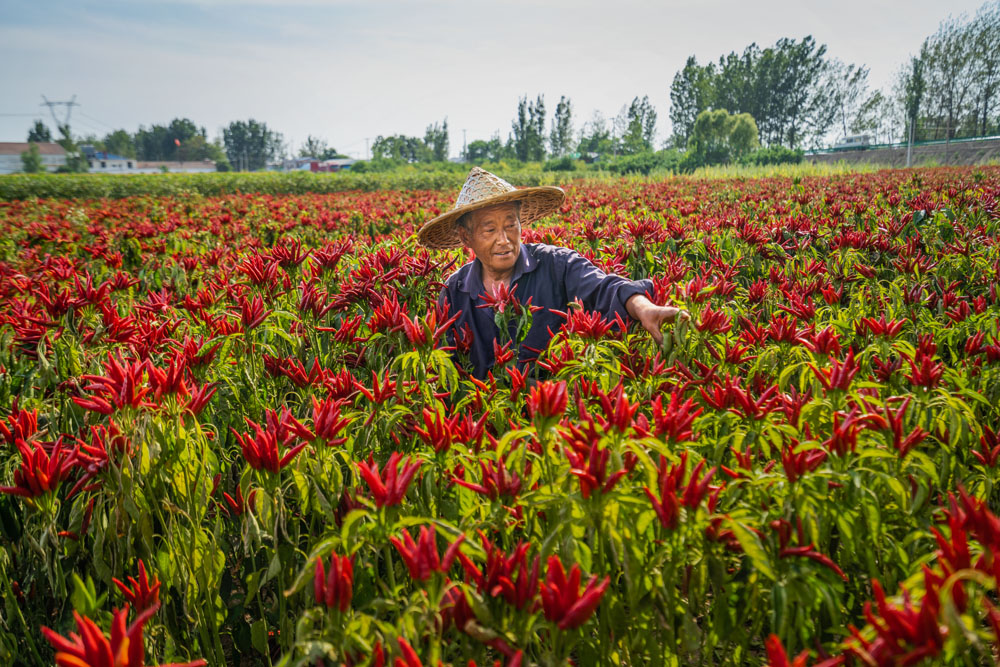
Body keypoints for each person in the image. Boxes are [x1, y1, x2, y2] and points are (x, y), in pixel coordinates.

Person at [417, 167, 688, 380]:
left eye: (511, 225)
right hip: (485, 424)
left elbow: (604, 288)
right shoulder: (456, 290)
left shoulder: (556, 264)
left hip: (553, 413)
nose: (504, 239)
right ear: (467, 237)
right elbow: (446, 364)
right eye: (489, 230)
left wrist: (643, 308)